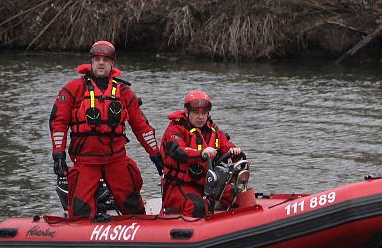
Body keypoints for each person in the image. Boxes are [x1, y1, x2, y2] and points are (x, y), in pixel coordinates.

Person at [49, 40, 164, 218]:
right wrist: (58, 155)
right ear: (91, 62)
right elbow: (58, 122)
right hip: (86, 160)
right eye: (97, 59)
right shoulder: (73, 89)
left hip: (115, 158)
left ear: (112, 63)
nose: (101, 62)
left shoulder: (124, 92)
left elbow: (141, 127)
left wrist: (156, 156)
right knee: (81, 212)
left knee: (131, 204)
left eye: (105, 59)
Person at [160, 90, 245, 218]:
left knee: (239, 196)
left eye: (204, 113)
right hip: (180, 185)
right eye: (196, 113)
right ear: (187, 112)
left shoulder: (213, 130)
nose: (201, 117)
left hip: (208, 184)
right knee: (195, 206)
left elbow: (225, 145)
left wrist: (234, 152)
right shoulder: (175, 129)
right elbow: (179, 152)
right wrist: (201, 154)